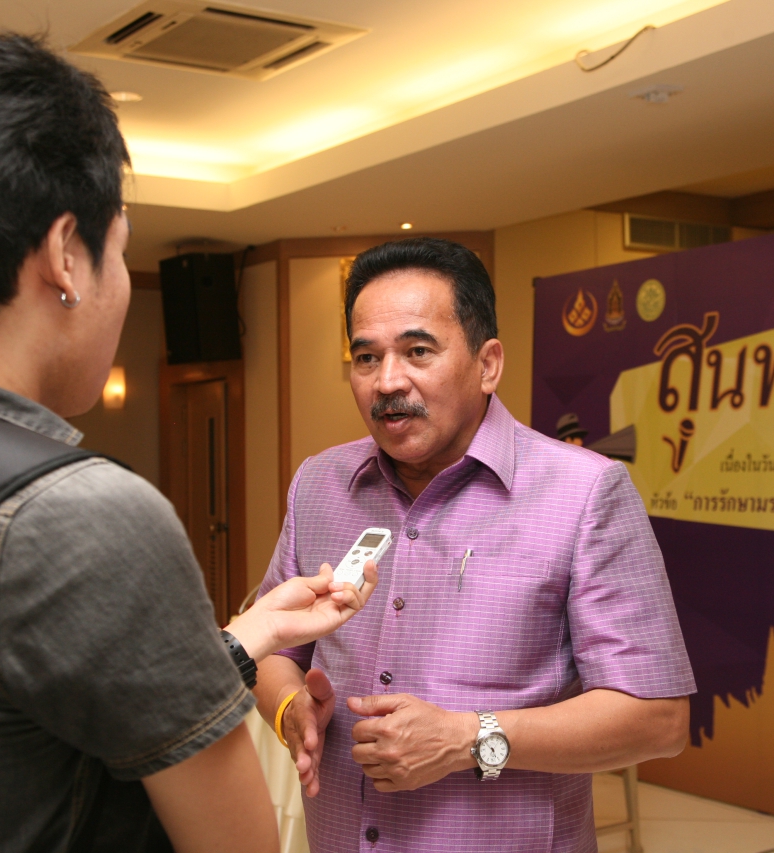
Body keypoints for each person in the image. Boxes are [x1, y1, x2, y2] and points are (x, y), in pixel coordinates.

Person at [0, 26, 376, 853]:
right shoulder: (89, 513)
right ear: (67, 254)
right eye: (120, 251)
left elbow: (2, 708)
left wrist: (247, 636)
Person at [253, 237, 696, 852]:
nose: (387, 381)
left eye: (418, 351)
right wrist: (290, 708)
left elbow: (659, 719)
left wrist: (466, 739)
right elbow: (272, 649)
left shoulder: (583, 493)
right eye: (366, 357)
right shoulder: (319, 485)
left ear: (488, 364)